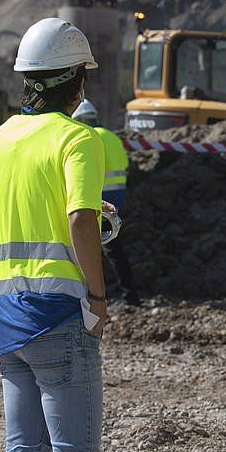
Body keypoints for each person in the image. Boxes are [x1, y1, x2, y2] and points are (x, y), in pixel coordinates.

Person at [0, 17, 107, 452]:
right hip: (57, 315)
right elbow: (79, 219)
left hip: (4, 317)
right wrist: (97, 297)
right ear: (76, 79)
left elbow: (24, 216)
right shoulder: (78, 139)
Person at [71, 98, 139, 306]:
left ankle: (115, 295)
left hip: (99, 200)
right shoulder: (112, 136)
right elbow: (126, 166)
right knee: (112, 247)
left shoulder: (87, 138)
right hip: (118, 197)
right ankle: (127, 293)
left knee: (91, 247)